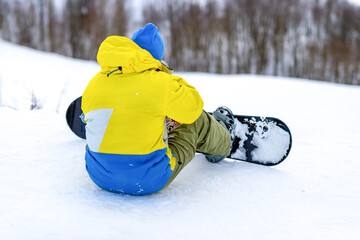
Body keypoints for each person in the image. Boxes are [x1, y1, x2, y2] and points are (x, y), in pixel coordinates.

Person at [81, 23, 235, 195]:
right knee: (196, 120)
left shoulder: (93, 84)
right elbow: (194, 108)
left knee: (134, 113)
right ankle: (224, 143)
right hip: (148, 180)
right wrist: (168, 79)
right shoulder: (161, 84)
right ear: (157, 58)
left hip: (99, 176)